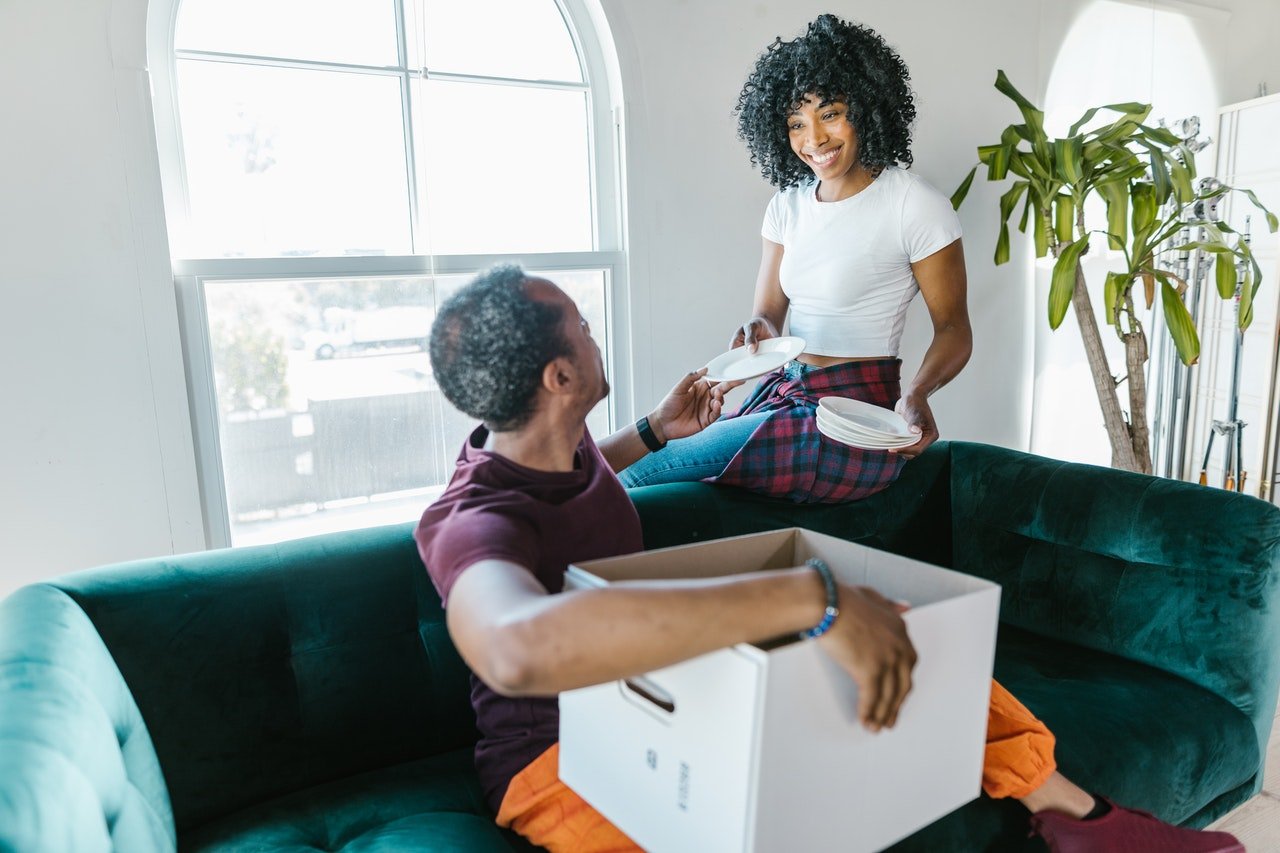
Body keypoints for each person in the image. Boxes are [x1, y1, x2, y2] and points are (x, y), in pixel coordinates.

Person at [416, 265, 1242, 853]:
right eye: (583, 327)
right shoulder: (468, 521)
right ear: (561, 375)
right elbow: (517, 644)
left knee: (917, 644)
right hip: (557, 763)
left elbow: (577, 486)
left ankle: (1084, 820)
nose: (596, 332)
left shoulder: (549, 442)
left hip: (657, 693)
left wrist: (658, 432)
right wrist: (807, 598)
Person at [619, 14, 970, 503]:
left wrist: (916, 393)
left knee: (640, 471)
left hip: (854, 418)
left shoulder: (915, 204)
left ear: (867, 107)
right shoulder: (786, 206)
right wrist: (758, 327)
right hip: (788, 393)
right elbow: (768, 314)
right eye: (796, 124)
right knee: (656, 477)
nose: (814, 140)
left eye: (830, 114)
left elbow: (954, 329)